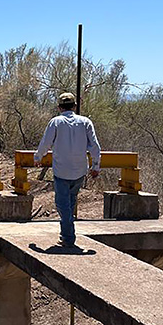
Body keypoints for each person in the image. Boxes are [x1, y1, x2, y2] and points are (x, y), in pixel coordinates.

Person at [34, 92, 101, 247]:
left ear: (59, 107)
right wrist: (95, 166)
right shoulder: (85, 122)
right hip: (79, 170)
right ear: (75, 106)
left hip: (61, 170)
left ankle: (68, 237)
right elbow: (95, 146)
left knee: (62, 204)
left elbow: (46, 143)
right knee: (70, 201)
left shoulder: (56, 122)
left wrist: (38, 157)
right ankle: (66, 234)